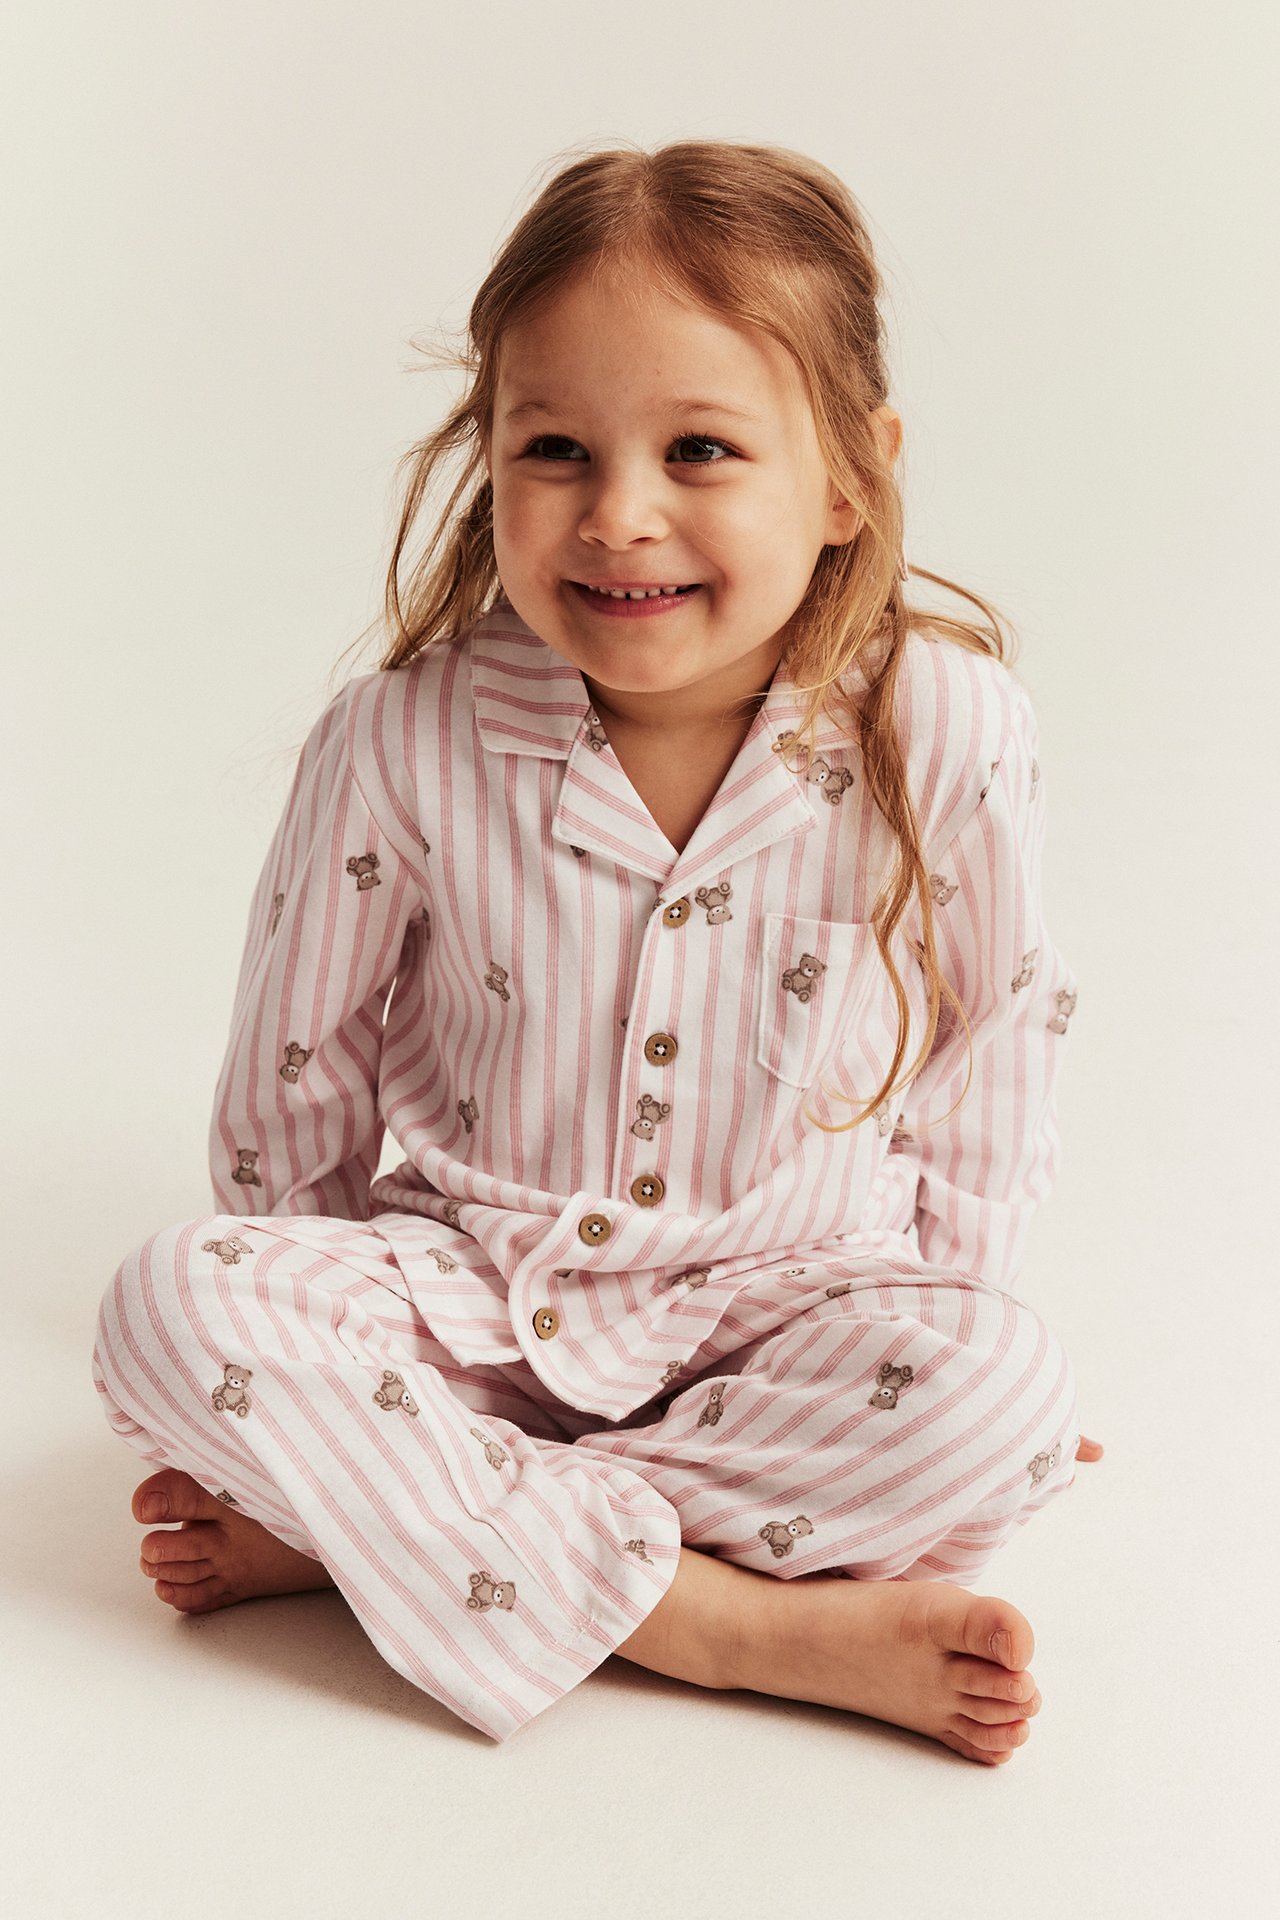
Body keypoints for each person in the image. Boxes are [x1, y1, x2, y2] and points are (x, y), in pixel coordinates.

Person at [91, 139, 1102, 1767]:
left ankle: (385, 1544)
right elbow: (299, 1081)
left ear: (850, 475)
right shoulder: (401, 739)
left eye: (700, 449)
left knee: (1007, 1404)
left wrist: (943, 1320)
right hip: (477, 1301)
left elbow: (1002, 1040)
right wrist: (337, 1352)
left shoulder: (948, 728)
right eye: (555, 447)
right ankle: (727, 1623)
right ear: (490, 459)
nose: (620, 515)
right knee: (169, 1307)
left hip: (788, 1306)